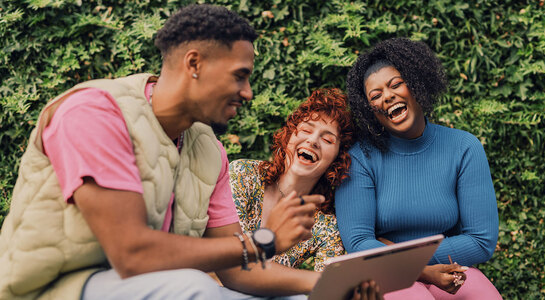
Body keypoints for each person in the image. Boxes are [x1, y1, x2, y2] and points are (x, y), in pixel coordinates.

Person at [0, 4, 326, 300]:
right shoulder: (95, 113)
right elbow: (132, 254)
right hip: (50, 289)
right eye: (240, 76)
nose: (248, 93)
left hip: (149, 286)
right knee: (191, 287)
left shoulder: (209, 151)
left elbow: (237, 268)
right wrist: (262, 242)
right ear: (194, 63)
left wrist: (322, 286)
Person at [335, 37, 502, 299]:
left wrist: (397, 250)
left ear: (416, 84)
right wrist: (419, 269)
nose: (388, 96)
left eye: (396, 84)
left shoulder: (464, 148)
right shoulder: (360, 158)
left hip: (449, 270)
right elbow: (358, 242)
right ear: (370, 111)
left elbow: (481, 241)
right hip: (383, 274)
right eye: (375, 96)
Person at [230, 88, 352, 273]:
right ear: (289, 136)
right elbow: (230, 262)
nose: (313, 141)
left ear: (337, 159)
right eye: (305, 130)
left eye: (327, 140)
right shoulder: (244, 174)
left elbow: (326, 289)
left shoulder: (325, 226)